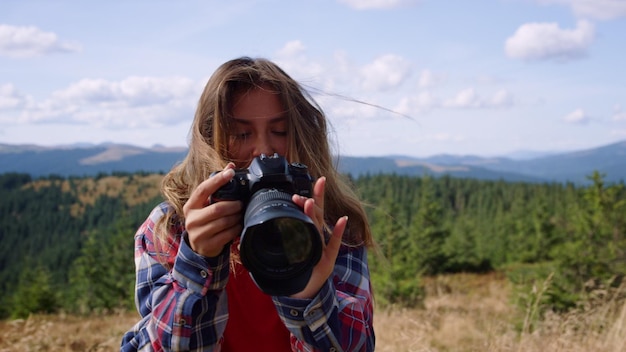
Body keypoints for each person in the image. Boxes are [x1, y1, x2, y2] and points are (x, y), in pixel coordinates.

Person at [121, 57, 376, 351]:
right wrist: (195, 264)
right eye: (240, 134)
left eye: (280, 131)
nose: (263, 151)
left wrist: (311, 292)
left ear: (303, 136)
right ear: (209, 140)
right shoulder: (171, 228)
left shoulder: (333, 227)